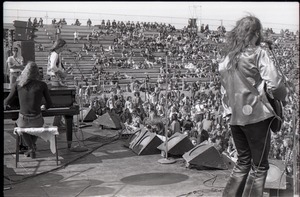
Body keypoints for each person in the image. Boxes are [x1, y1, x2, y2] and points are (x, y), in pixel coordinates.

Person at [219, 15, 287, 197]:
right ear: (256, 34)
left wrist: (229, 115)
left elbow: (223, 93)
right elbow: (276, 85)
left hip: (234, 119)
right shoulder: (258, 54)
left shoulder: (227, 59)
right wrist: (283, 97)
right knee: (259, 167)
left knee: (243, 163)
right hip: (256, 117)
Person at [4, 62, 52, 158]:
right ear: (37, 73)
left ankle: (31, 147)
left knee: (21, 127)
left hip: (23, 121)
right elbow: (50, 103)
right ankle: (32, 146)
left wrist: (9, 106)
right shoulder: (42, 85)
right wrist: (44, 107)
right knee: (36, 128)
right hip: (37, 120)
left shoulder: (17, 84)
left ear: (25, 72)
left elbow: (6, 101)